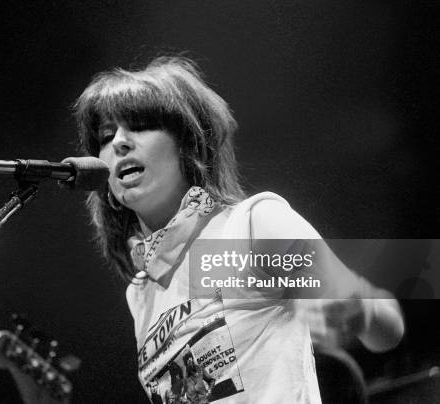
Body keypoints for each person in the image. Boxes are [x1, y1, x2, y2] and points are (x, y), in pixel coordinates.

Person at [73, 56, 404, 403]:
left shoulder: (252, 225)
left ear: (189, 143)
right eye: (106, 136)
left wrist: (359, 309)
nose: (119, 143)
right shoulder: (141, 292)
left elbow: (386, 329)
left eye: (140, 125)